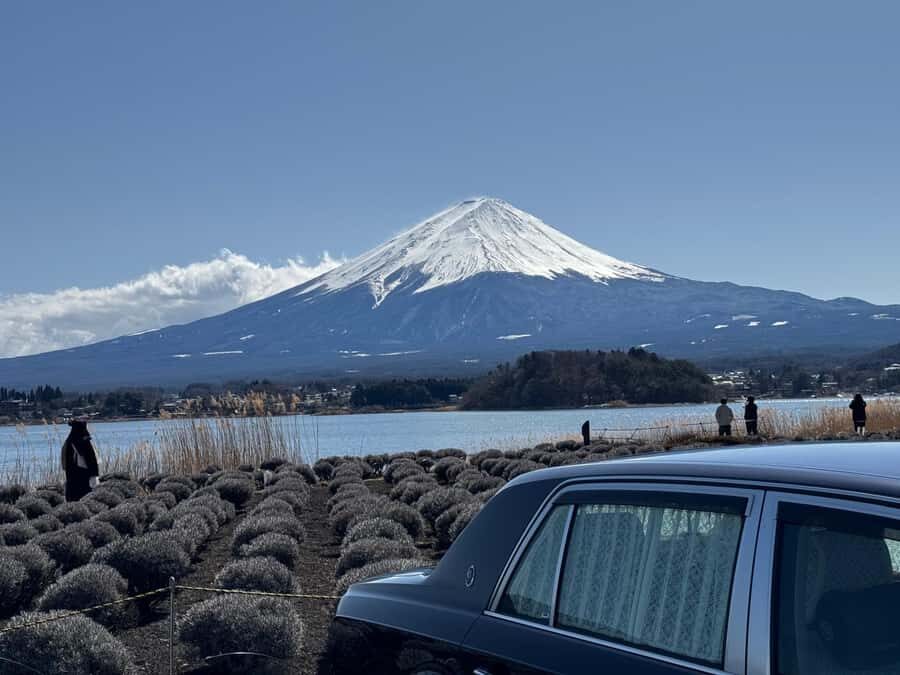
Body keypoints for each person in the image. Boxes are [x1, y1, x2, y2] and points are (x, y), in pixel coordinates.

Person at [60, 419, 100, 501]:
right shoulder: (82, 441)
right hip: (82, 476)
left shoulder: (69, 441)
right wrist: (94, 474)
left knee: (73, 496)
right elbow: (91, 459)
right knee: (85, 497)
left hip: (71, 476)